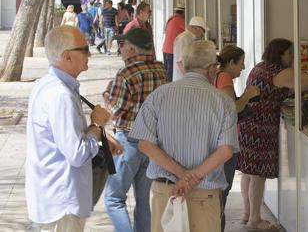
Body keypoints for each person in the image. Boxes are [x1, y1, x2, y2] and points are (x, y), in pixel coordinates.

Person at [130, 40, 238, 232]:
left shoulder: (159, 95)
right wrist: (191, 177)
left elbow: (145, 144)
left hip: (166, 191)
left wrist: (182, 175)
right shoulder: (223, 101)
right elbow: (226, 150)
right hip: (205, 193)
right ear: (212, 68)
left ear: (185, 65)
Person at [238, 38, 308, 231]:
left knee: (249, 172)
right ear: (280, 54)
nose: (293, 57)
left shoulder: (261, 67)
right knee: (258, 175)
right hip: (261, 128)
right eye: (290, 53)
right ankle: (254, 219)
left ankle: (247, 213)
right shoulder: (279, 73)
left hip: (248, 124)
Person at [25, 26, 112, 231]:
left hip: (52, 197)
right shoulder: (60, 94)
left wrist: (97, 133)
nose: (89, 53)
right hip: (61, 203)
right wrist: (96, 125)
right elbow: (77, 154)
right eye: (84, 49)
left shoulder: (49, 85)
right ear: (67, 57)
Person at [103, 28, 167, 232]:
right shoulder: (160, 69)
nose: (120, 49)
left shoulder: (126, 73)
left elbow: (114, 111)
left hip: (128, 141)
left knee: (114, 199)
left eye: (122, 45)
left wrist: (106, 95)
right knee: (143, 201)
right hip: (152, 144)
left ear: (131, 48)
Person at [214, 45, 260, 232]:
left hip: (222, 139)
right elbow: (232, 107)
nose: (242, 68)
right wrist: (249, 94)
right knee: (221, 192)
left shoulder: (218, 76)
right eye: (241, 64)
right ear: (231, 62)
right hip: (226, 141)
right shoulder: (224, 77)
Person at [172, 16, 208, 81]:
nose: (203, 34)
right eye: (203, 31)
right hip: (183, 79)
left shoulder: (191, 39)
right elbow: (180, 62)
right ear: (197, 28)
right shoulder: (183, 39)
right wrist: (191, 79)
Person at [162, 3, 186, 82]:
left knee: (166, 71)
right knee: (171, 72)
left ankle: (165, 86)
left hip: (165, 48)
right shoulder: (180, 20)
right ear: (183, 12)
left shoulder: (170, 19)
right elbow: (189, 31)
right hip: (171, 49)